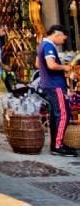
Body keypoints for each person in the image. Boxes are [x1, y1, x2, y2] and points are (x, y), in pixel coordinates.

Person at [37, 24, 77, 157]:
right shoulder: (48, 46)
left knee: (56, 115)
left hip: (49, 84)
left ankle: (56, 144)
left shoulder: (42, 44)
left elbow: (37, 63)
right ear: (57, 34)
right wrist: (65, 68)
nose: (63, 42)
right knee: (63, 114)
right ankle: (58, 146)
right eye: (63, 39)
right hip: (55, 85)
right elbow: (51, 65)